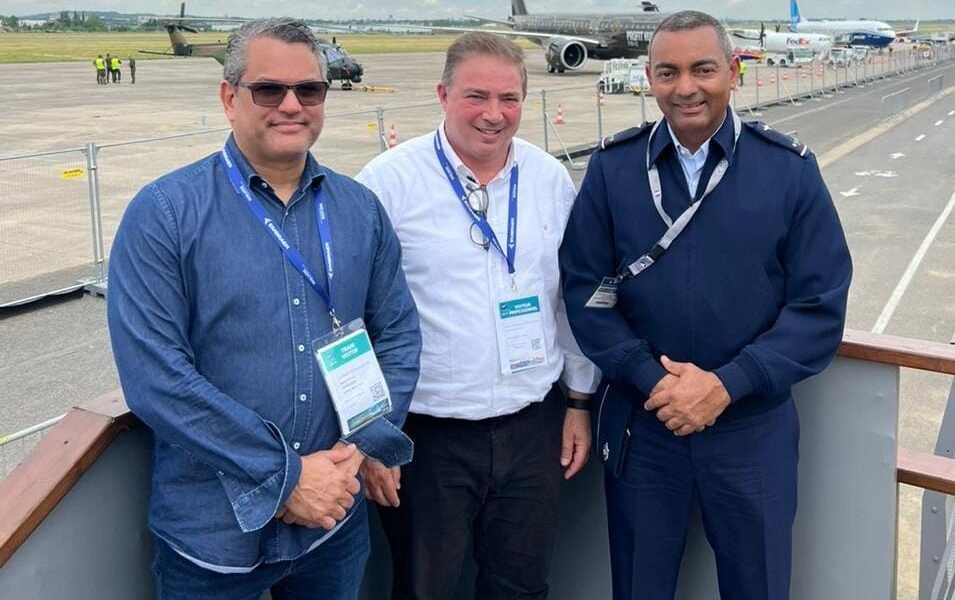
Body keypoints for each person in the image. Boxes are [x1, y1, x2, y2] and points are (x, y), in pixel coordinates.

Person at [107, 18, 421, 600]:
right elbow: (155, 380)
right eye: (268, 90)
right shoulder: (165, 214)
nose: (291, 105)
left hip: (335, 524)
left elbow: (398, 336)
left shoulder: (360, 210)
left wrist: (363, 448)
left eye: (309, 90)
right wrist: (291, 477)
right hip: (214, 541)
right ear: (230, 98)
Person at [559, 11, 851, 600]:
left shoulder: (786, 170)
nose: (685, 87)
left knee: (759, 586)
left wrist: (726, 385)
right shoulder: (615, 169)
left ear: (734, 72)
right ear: (649, 78)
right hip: (646, 424)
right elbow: (587, 291)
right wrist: (650, 379)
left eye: (703, 69)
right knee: (640, 586)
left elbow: (819, 304)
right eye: (668, 72)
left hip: (750, 429)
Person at [355, 32, 599, 600]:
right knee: (423, 589)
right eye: (476, 97)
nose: (494, 114)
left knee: (521, 587)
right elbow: (351, 320)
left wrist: (580, 403)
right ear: (443, 94)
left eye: (509, 99)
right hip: (426, 436)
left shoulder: (549, 180)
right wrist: (371, 435)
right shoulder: (387, 184)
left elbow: (568, 300)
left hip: (533, 426)